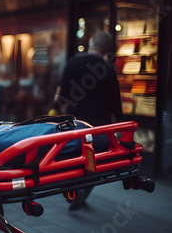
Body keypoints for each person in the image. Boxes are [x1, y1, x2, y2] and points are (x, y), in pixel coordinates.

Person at [50, 30, 123, 210]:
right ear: (107, 50)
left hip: (74, 123)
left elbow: (62, 92)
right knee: (92, 159)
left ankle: (70, 189)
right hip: (98, 126)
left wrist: (54, 112)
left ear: (91, 43)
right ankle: (82, 191)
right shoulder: (108, 69)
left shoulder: (73, 62)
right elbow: (116, 101)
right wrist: (120, 126)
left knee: (71, 156)